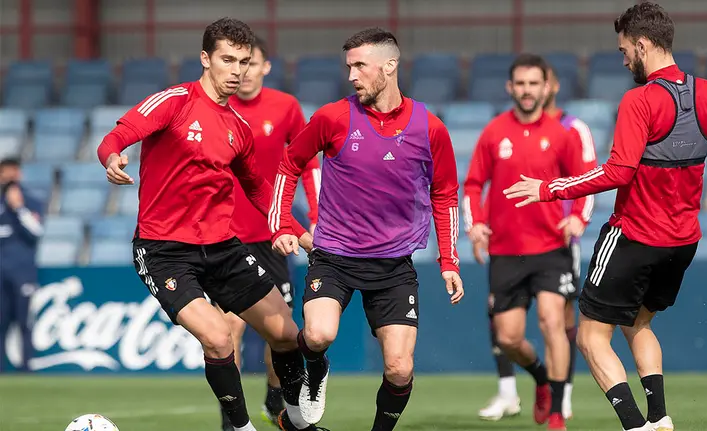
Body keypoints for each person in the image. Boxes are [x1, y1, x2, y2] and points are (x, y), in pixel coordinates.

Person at [504, 3, 707, 431]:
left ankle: (635, 426)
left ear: (643, 45)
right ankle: (659, 418)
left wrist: (549, 187)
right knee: (638, 323)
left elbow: (618, 172)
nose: (623, 58)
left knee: (591, 337)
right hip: (682, 243)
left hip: (634, 238)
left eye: (624, 50)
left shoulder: (640, 100)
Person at [96, 18, 327, 431]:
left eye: (243, 61)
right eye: (227, 60)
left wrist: (289, 229)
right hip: (164, 251)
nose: (236, 71)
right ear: (205, 59)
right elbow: (119, 135)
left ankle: (295, 421)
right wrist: (111, 158)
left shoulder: (238, 128)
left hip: (223, 248)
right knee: (219, 337)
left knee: (289, 335)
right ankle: (239, 428)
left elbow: (260, 192)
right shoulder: (173, 102)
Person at [269, 28, 464, 430]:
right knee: (318, 335)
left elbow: (444, 195)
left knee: (398, 368)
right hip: (334, 257)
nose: (352, 75)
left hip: (394, 268)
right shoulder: (332, 117)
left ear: (390, 65)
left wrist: (449, 261)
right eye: (349, 67)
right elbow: (289, 165)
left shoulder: (430, 128)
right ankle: (316, 370)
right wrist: (281, 225)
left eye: (360, 66)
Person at [463, 53, 592, 431]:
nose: (527, 90)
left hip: (552, 248)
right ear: (510, 88)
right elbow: (472, 185)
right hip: (505, 252)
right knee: (508, 338)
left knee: (553, 321)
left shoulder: (560, 134)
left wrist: (577, 217)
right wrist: (477, 225)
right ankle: (538, 377)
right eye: (520, 84)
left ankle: (555, 414)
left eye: (533, 83)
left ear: (546, 87)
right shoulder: (493, 132)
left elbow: (584, 181)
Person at [214, 34, 322, 430]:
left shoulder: (286, 107)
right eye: (236, 63)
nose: (243, 71)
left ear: (265, 66)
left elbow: (308, 162)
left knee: (281, 330)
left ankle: (275, 398)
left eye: (250, 62)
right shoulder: (216, 109)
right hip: (226, 236)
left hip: (274, 235)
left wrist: (314, 213)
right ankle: (231, 420)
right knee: (229, 329)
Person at [0, 157, 44, 372]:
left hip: (22, 272)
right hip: (1, 273)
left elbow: (36, 232)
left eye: (12, 172)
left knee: (23, 322)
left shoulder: (31, 201)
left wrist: (18, 208)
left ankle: (26, 367)